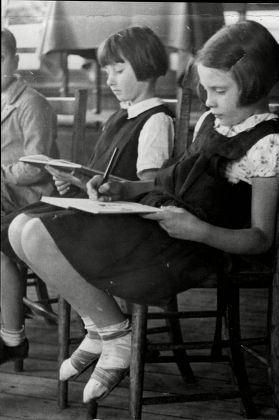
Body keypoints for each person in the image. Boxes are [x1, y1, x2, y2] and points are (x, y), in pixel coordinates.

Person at [4, 20, 279, 405]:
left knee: (37, 232)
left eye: (218, 90)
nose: (207, 100)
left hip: (195, 247)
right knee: (22, 227)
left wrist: (198, 230)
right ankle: (102, 327)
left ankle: (112, 334)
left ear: (254, 84)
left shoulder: (267, 142)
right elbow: (172, 182)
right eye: (205, 89)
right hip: (164, 223)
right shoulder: (211, 121)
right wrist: (124, 188)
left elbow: (261, 239)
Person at [0, 26, 174, 369]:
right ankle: (94, 324)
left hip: (125, 224)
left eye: (118, 70)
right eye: (107, 70)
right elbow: (103, 175)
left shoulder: (156, 120)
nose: (109, 78)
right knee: (19, 227)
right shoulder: (121, 115)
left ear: (147, 66)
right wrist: (74, 181)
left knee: (27, 228)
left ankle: (100, 327)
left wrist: (101, 185)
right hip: (100, 211)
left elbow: (153, 186)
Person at [1, 28, 58, 322]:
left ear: (15, 60)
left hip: (30, 198)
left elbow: (36, 167)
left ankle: (8, 316)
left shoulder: (31, 103)